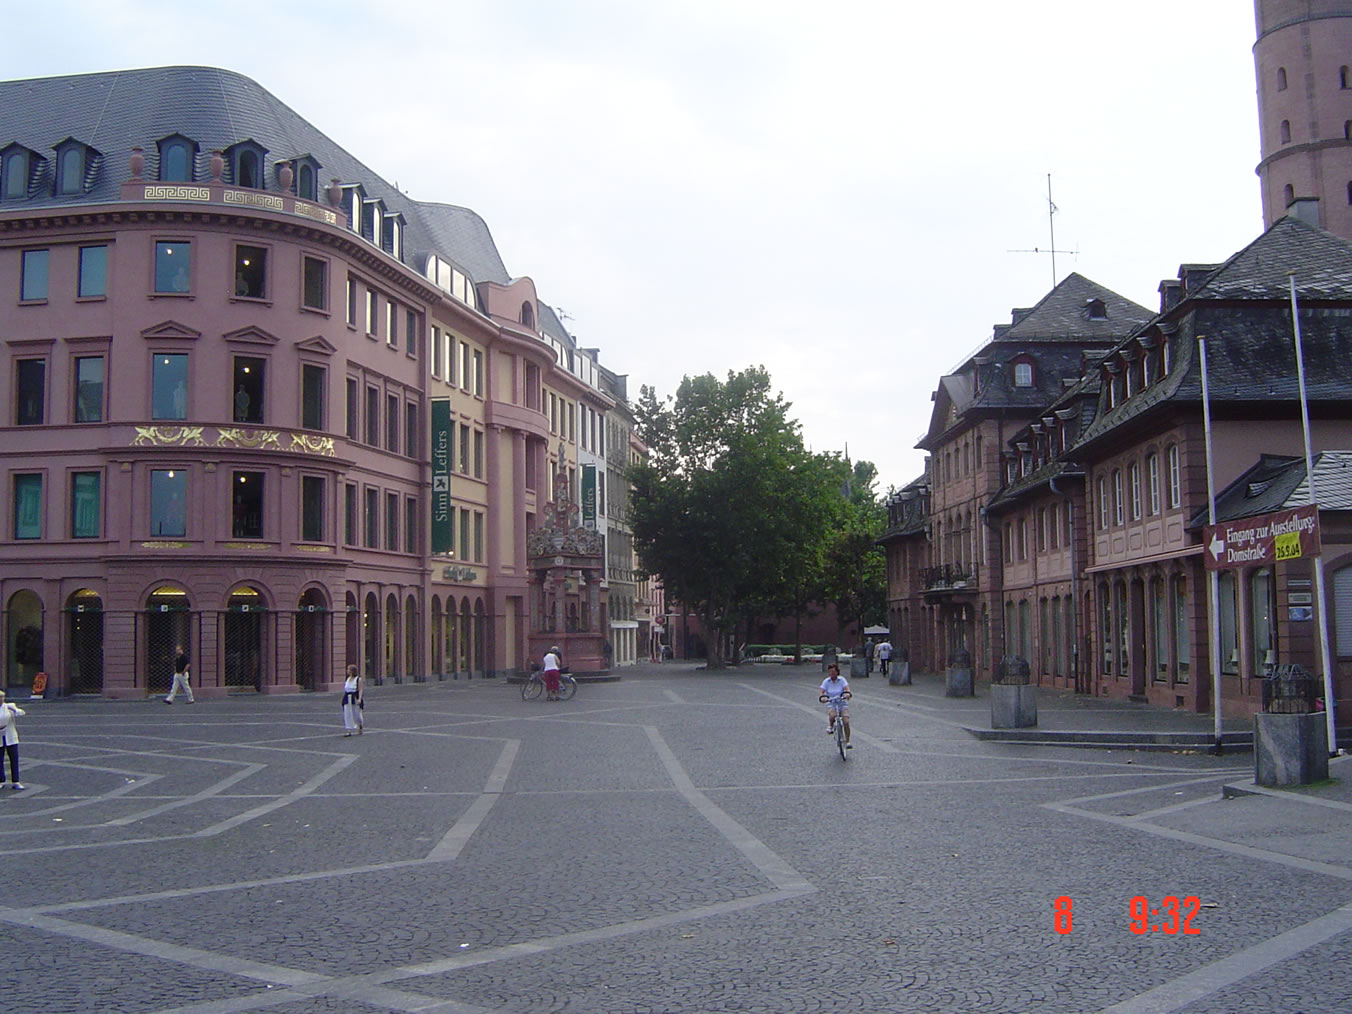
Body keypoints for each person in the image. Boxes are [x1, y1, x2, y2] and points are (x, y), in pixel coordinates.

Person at [819, 662, 852, 749]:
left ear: (837, 672)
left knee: (846, 721)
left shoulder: (842, 680)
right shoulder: (826, 681)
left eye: (834, 672)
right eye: (830, 672)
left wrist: (847, 694)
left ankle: (848, 741)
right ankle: (830, 726)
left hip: (842, 702)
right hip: (832, 703)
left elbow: (847, 688)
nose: (832, 673)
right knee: (832, 715)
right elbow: (821, 691)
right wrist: (822, 697)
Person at [0, 690, 26, 789]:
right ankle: (1, 780)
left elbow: (21, 713)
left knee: (14, 759)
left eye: (2, 697)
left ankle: (16, 781)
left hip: (10, 737)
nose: (1, 699)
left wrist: (15, 710)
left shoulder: (9, 706)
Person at [341, 664, 364, 735]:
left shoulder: (358, 679)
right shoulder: (347, 678)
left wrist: (359, 699)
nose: (347, 671)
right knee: (347, 714)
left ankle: (360, 725)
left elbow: (360, 689)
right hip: (347, 697)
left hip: (355, 697)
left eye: (348, 669)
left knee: (357, 714)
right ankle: (349, 730)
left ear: (352, 671)